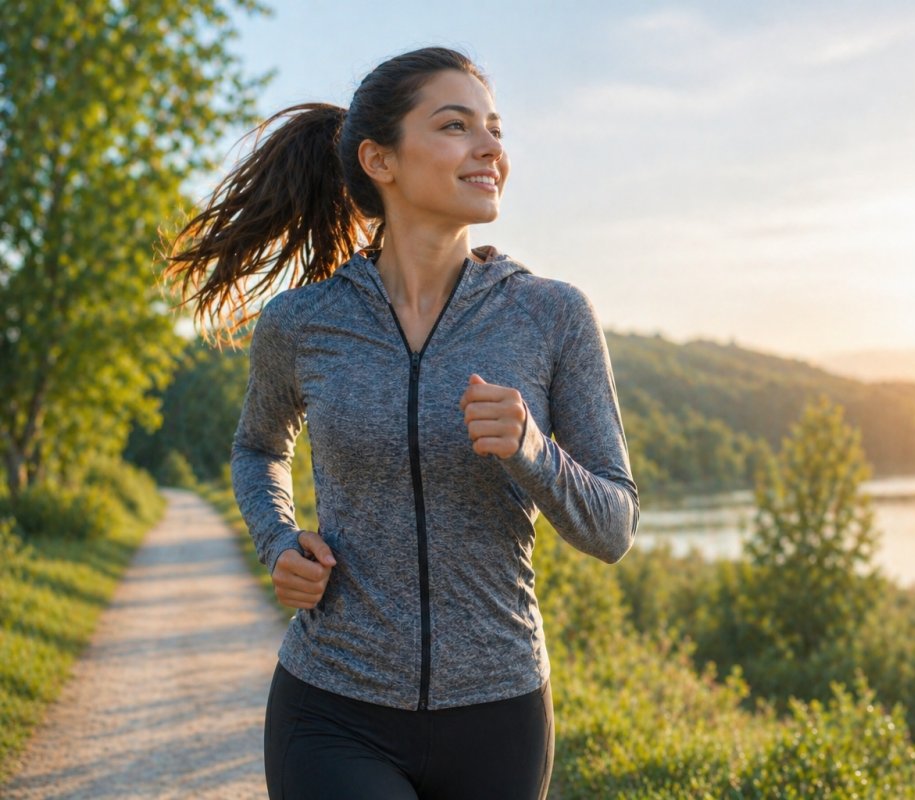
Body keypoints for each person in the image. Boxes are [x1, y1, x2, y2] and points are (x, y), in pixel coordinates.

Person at [163, 46, 639, 800]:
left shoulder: (551, 315)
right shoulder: (304, 322)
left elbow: (613, 528)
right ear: (379, 159)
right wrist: (278, 539)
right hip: (333, 703)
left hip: (500, 712)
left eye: (495, 129)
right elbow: (258, 448)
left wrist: (532, 450)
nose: (490, 148)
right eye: (456, 126)